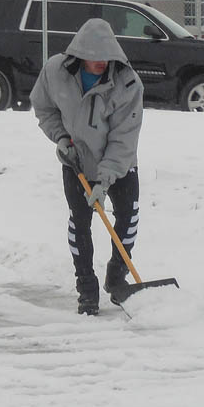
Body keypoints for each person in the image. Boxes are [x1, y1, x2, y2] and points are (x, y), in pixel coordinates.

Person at [31, 18, 144, 315]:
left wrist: (104, 181)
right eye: (94, 57)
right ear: (80, 54)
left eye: (106, 57)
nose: (101, 63)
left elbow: (123, 139)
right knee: (80, 222)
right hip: (77, 160)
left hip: (119, 165)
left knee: (128, 219)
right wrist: (61, 138)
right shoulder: (56, 72)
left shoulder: (128, 83)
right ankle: (87, 289)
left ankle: (117, 277)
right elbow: (44, 108)